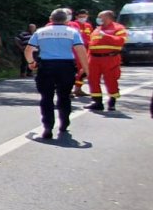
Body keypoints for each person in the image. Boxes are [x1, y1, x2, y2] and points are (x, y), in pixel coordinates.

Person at [24, 9, 88, 138]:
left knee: (46, 97)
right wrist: (87, 70)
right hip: (66, 67)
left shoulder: (41, 32)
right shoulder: (72, 32)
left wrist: (31, 63)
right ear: (66, 20)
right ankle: (64, 122)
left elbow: (28, 50)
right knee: (64, 96)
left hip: (46, 66)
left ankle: (48, 127)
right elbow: (81, 51)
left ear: (50, 19)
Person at [87, 10, 128, 111]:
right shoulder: (97, 29)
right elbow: (91, 45)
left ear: (108, 17)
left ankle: (112, 102)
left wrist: (106, 36)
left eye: (100, 17)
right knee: (93, 80)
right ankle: (97, 102)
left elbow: (121, 41)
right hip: (94, 59)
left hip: (110, 58)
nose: (98, 19)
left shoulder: (118, 28)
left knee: (111, 79)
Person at [70, 9, 93, 96]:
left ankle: (78, 89)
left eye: (85, 16)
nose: (83, 18)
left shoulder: (88, 26)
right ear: (76, 17)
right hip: (75, 50)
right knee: (72, 71)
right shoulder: (73, 24)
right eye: (81, 17)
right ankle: (69, 90)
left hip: (86, 51)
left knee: (83, 71)